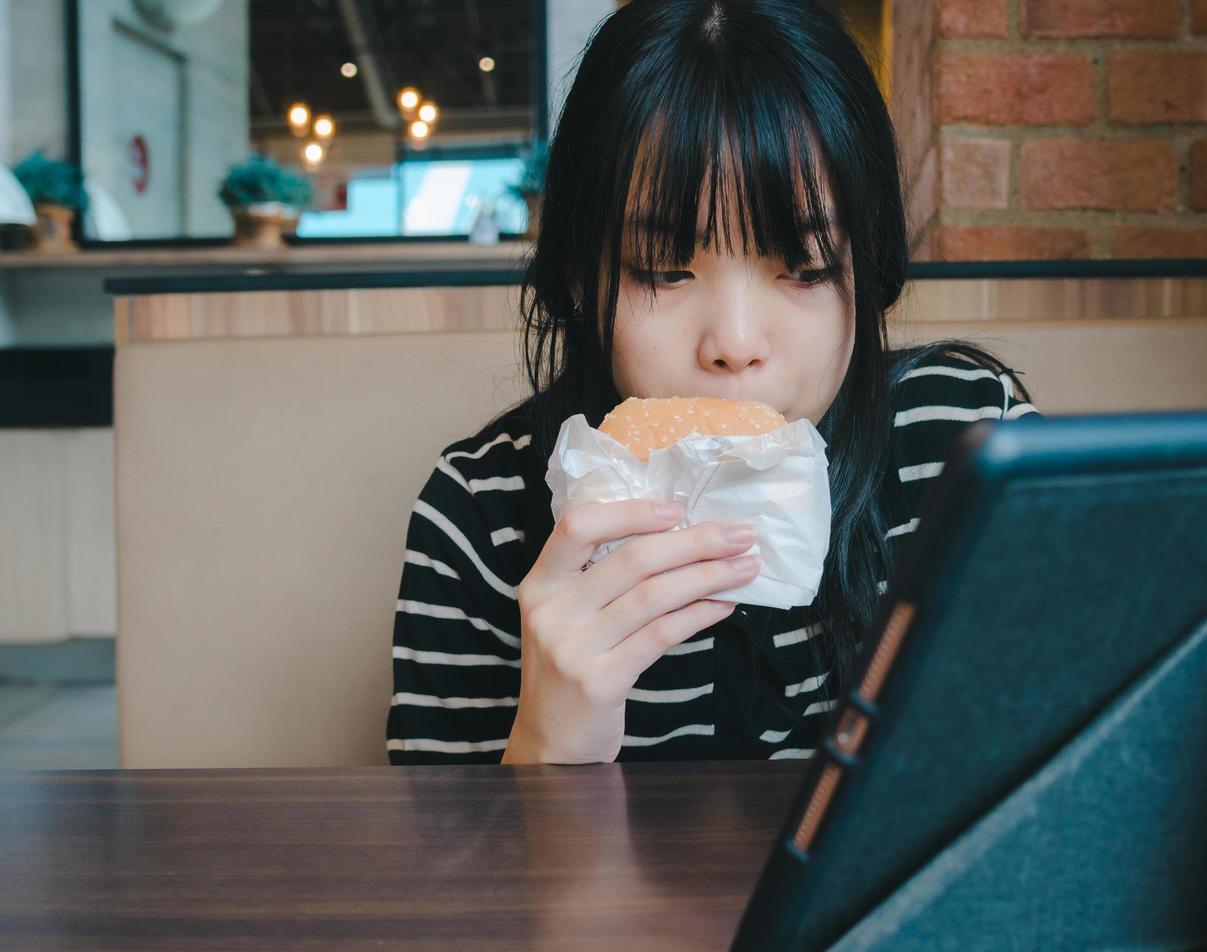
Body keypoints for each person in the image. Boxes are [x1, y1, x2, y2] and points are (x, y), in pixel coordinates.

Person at [385, 0, 1039, 765]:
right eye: (665, 269)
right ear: (579, 277)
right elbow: (441, 876)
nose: (733, 343)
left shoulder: (967, 446)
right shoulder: (480, 513)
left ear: (868, 272)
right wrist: (548, 741)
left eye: (803, 268)